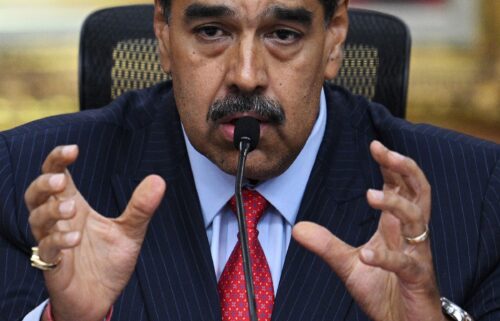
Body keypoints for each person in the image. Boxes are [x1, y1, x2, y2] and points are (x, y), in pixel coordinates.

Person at [0, 0, 498, 320]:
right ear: (163, 35)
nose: (245, 75)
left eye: (283, 34)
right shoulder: (29, 186)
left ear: (336, 36)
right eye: (213, 30)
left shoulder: (479, 197)